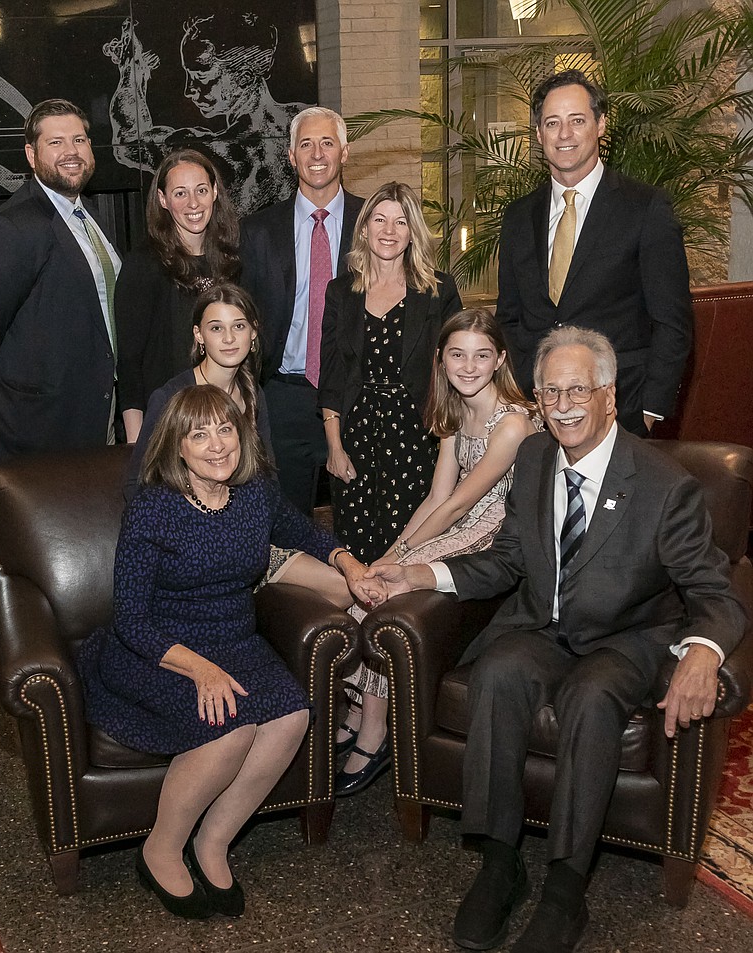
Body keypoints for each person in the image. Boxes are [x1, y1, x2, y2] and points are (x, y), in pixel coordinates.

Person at [367, 327, 745, 953]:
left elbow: (717, 590)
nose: (564, 405)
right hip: (545, 625)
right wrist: (420, 572)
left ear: (608, 397)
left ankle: (567, 889)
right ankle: (499, 862)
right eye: (551, 392)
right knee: (497, 673)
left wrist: (703, 651)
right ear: (537, 399)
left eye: (578, 390)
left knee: (591, 698)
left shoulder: (664, 487)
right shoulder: (536, 457)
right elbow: (509, 557)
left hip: (626, 639)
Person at [77, 385, 381, 919]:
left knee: (290, 718)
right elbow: (130, 618)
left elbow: (304, 531)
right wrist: (200, 670)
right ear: (178, 447)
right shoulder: (153, 508)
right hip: (157, 648)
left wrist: (349, 564)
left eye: (225, 430)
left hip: (233, 640)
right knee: (230, 727)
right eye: (199, 434)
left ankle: (214, 840)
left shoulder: (254, 493)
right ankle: (161, 849)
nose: (217, 445)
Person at [335, 308, 542, 794]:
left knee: (382, 595)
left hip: (494, 534)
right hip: (459, 523)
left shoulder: (512, 423)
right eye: (457, 355)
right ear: (441, 360)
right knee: (363, 588)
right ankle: (362, 708)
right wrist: (388, 553)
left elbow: (461, 505)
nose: (468, 367)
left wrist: (400, 558)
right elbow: (434, 497)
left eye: (481, 356)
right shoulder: (454, 415)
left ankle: (374, 733)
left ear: (500, 361)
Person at [125, 283, 364, 609]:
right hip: (189, 543)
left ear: (253, 334)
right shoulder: (171, 398)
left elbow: (267, 483)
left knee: (342, 589)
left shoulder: (253, 395)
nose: (228, 338)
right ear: (199, 336)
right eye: (216, 328)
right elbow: (137, 486)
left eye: (238, 326)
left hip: (248, 537)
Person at [496, 69, 692, 437]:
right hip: (540, 414)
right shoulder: (518, 217)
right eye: (552, 123)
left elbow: (672, 323)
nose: (564, 134)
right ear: (538, 134)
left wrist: (649, 411)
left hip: (622, 411)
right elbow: (509, 317)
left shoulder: (645, 208)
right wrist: (528, 391)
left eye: (577, 120)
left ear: (601, 125)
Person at [0, 99, 121, 464]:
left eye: (78, 140)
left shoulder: (89, 213)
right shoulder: (13, 226)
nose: (71, 152)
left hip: (93, 416)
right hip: (35, 432)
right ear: (31, 155)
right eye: (56, 142)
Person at [318, 181, 462, 564]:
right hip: (355, 433)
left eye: (400, 222)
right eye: (379, 220)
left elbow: (459, 370)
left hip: (418, 433)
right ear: (364, 229)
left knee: (410, 545)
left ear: (413, 232)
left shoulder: (439, 291)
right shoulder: (340, 292)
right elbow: (331, 372)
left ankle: (402, 621)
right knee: (356, 543)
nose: (389, 231)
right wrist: (334, 445)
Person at [239, 106, 364, 514]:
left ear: (345, 153)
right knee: (284, 526)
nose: (316, 154)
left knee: (362, 526)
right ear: (290, 156)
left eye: (327, 143)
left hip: (356, 398)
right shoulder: (257, 231)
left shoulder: (375, 224)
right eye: (305, 144)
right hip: (283, 397)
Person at [103, 14, 308, 215]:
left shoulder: (214, 153)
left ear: (243, 78)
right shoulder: (304, 122)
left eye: (200, 75)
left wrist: (131, 71)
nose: (189, 89)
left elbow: (129, 142)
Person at [115, 148, 240, 443]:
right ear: (163, 200)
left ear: (214, 192)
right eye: (180, 193)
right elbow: (130, 363)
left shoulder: (234, 261)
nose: (193, 203)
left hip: (225, 423)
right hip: (167, 425)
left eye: (200, 190)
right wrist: (136, 443)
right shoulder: (142, 265)